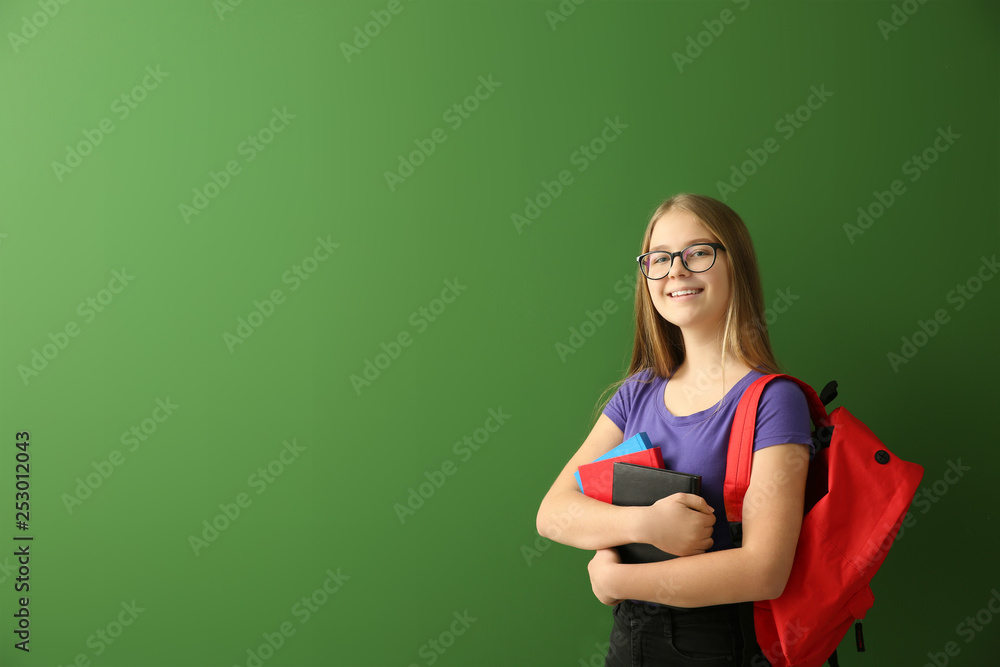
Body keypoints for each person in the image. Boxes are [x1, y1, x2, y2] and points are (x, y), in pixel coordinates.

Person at [535, 193, 815, 666]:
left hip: (720, 645)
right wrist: (644, 524)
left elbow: (764, 571)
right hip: (630, 644)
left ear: (736, 264)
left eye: (698, 253)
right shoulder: (636, 394)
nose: (676, 272)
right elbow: (553, 513)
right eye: (659, 259)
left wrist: (618, 580)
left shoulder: (774, 400)